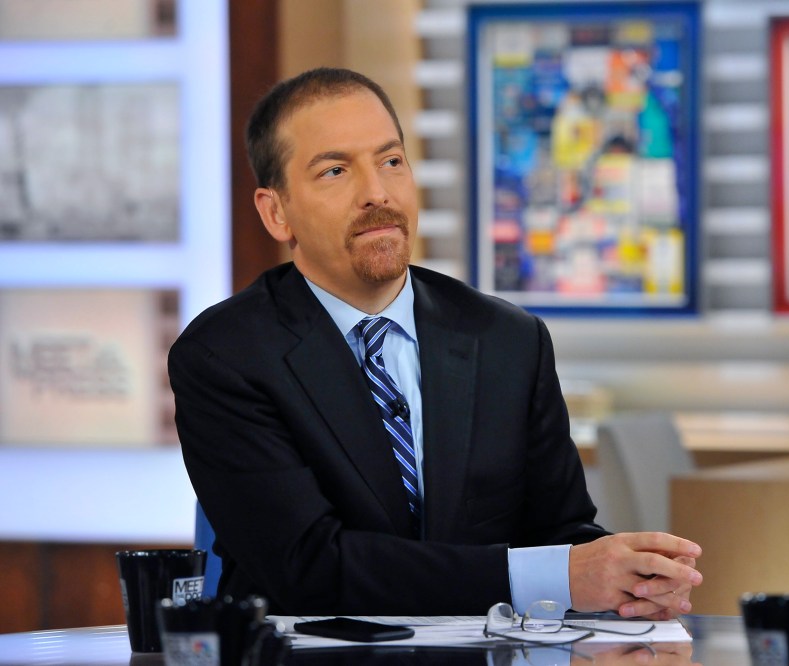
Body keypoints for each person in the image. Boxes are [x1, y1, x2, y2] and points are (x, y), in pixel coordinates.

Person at [168, 67, 702, 618]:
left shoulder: (508, 340)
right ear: (276, 212)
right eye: (334, 171)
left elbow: (559, 534)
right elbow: (306, 566)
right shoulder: (224, 357)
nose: (377, 193)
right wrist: (553, 576)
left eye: (391, 161)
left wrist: (630, 581)